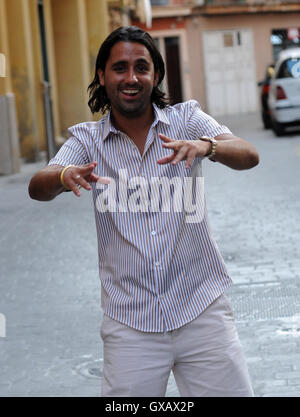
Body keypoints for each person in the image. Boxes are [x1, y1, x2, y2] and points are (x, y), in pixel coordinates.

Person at [28, 26, 259, 397]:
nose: (131, 78)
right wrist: (63, 175)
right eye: (120, 68)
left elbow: (248, 154)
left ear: (156, 75)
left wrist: (206, 147)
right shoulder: (87, 140)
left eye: (141, 67)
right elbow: (37, 185)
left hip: (201, 311)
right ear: (102, 77)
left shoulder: (186, 120)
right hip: (131, 324)